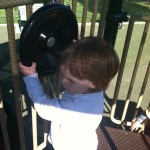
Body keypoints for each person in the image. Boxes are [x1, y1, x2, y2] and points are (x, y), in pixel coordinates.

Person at [19, 36, 120, 150]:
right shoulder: (96, 90)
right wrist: (79, 50)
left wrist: (30, 76)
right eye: (62, 74)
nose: (63, 81)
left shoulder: (74, 109)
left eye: (71, 81)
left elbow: (42, 106)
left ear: (94, 83)